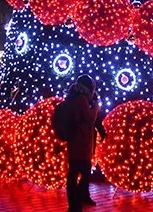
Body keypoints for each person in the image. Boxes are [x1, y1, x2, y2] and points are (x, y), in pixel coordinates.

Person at [66, 74, 105, 212]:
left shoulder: (76, 96)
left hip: (78, 142)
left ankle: (79, 200)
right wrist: (95, 107)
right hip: (80, 142)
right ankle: (75, 205)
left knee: (76, 173)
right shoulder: (82, 99)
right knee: (80, 173)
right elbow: (90, 118)